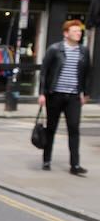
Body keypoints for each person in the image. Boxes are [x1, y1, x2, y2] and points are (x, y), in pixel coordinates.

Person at [38, 19, 92, 175]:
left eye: (80, 31)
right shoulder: (54, 49)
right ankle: (46, 160)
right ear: (66, 33)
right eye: (75, 31)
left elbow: (87, 74)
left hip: (74, 96)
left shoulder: (84, 51)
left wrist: (85, 93)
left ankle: (75, 165)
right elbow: (44, 72)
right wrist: (42, 93)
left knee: (74, 128)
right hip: (55, 95)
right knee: (51, 128)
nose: (78, 34)